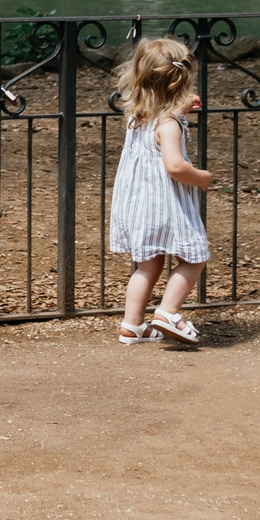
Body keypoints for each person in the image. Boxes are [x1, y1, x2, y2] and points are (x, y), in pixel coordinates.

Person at [111, 37, 213, 346]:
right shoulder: (169, 124)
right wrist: (201, 177)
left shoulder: (136, 117)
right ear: (180, 82)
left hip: (138, 205)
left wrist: (179, 106)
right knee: (194, 257)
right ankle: (168, 313)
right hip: (165, 204)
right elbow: (174, 166)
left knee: (148, 264)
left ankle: (132, 326)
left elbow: (161, 113)